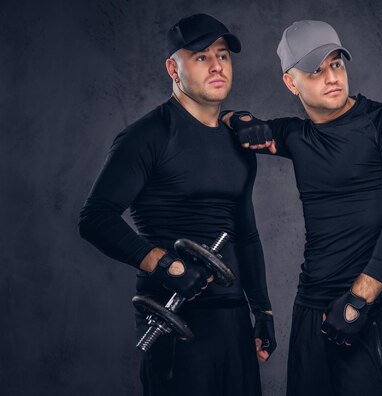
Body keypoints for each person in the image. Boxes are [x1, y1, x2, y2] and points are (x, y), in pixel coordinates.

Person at [224, 20, 382, 396]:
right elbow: (236, 124)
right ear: (291, 82)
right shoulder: (296, 136)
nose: (331, 76)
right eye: (315, 70)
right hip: (309, 312)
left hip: (367, 310)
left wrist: (357, 301)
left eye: (336, 64)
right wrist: (239, 119)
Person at [78, 14, 275, 396]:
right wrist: (165, 264)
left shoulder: (239, 142)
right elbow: (94, 218)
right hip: (173, 315)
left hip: (232, 317)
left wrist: (262, 310)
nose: (217, 65)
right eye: (201, 57)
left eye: (223, 55)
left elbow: (246, 235)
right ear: (173, 67)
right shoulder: (148, 136)